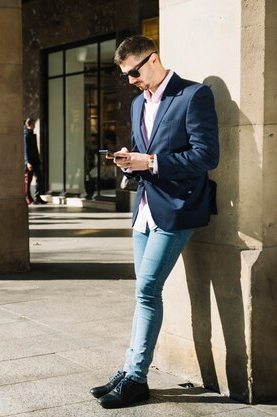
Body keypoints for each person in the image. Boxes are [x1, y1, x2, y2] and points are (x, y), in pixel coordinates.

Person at [90, 35, 219, 409]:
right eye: (125, 75)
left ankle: (135, 377)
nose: (130, 81)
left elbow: (206, 156)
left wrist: (152, 162)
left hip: (179, 207)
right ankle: (129, 369)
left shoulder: (194, 96)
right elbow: (144, 151)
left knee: (147, 289)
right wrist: (131, 159)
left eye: (133, 73)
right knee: (142, 292)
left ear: (153, 59)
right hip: (145, 206)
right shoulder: (136, 104)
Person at [24, 118, 46, 205]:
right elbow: (26, 150)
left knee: (40, 179)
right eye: (33, 124)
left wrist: (38, 158)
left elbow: (35, 149)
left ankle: (37, 196)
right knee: (28, 181)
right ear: (29, 124)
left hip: (35, 161)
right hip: (30, 162)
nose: (35, 126)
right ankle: (28, 197)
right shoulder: (26, 135)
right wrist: (28, 162)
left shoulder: (33, 135)